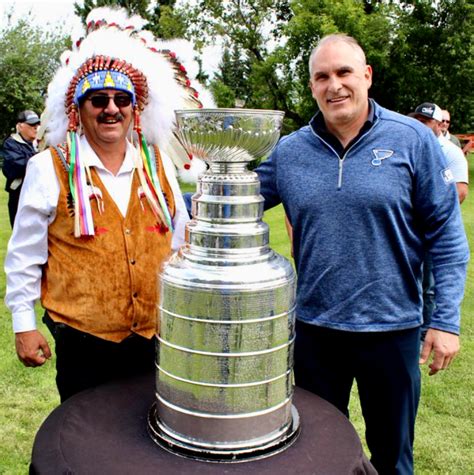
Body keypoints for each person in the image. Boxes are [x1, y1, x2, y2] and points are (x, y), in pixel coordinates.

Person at [255, 34, 469, 474]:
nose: (334, 85)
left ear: (366, 76)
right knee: (314, 455)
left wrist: (445, 321)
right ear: (312, 87)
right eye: (322, 77)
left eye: (344, 72)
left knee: (392, 458)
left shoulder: (412, 140)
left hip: (392, 329)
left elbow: (446, 237)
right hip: (314, 330)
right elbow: (235, 198)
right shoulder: (291, 152)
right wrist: (160, 194)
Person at [4, 7, 211, 402]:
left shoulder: (158, 165)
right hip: (83, 341)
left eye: (121, 99)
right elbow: (24, 257)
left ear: (135, 109)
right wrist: (24, 325)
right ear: (79, 110)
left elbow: (180, 245)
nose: (111, 108)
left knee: (150, 438)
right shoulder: (47, 168)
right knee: (86, 445)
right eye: (98, 99)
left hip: (155, 336)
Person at [411, 102, 469, 341]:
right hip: (410, 231)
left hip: (430, 229)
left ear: (439, 124)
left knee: (430, 283)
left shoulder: (450, 151)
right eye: (418, 120)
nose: (422, 126)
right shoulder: (409, 145)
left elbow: (460, 191)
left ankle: (426, 329)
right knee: (414, 281)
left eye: (426, 122)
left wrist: (433, 217)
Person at [1, 110, 41, 227]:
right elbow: (21, 165)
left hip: (38, 193)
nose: (36, 128)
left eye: (37, 124)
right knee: (21, 235)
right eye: (31, 124)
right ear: (20, 126)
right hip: (20, 196)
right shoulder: (11, 143)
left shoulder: (39, 144)